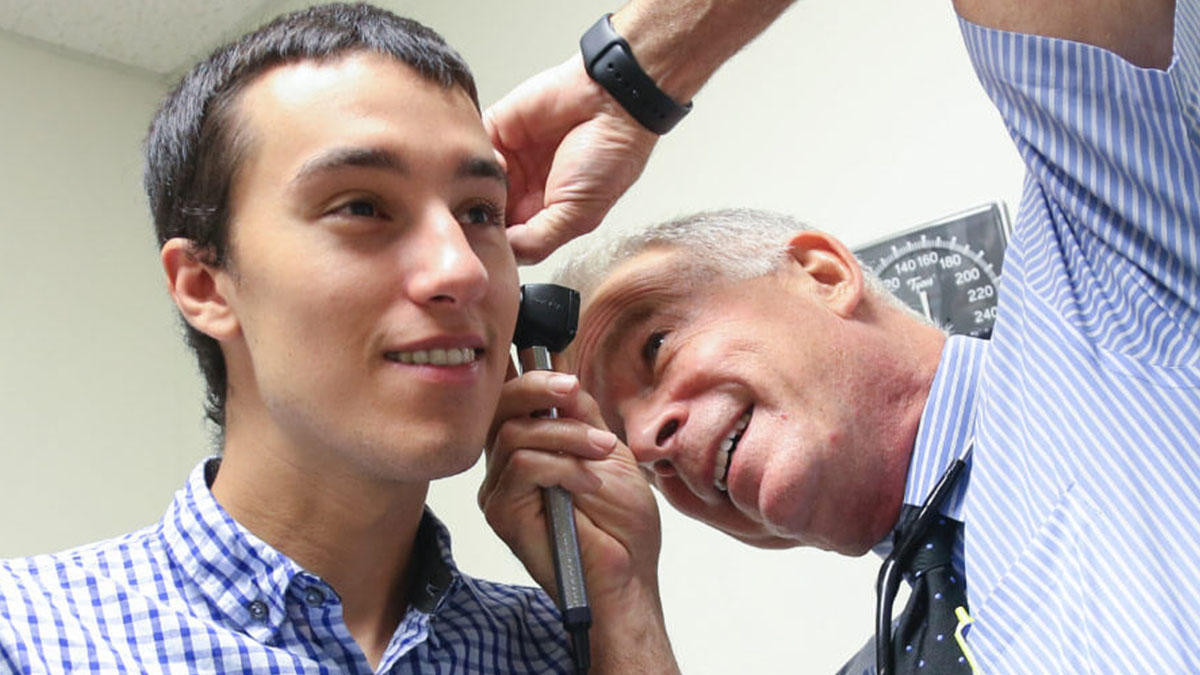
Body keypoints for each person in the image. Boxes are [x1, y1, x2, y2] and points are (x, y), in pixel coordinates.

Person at [481, 0, 1200, 672]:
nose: (647, 444)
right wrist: (622, 600)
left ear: (823, 274)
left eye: (655, 347)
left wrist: (626, 82)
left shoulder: (1114, 282)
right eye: (623, 446)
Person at [0, 4, 660, 673]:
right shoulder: (25, 636)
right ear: (205, 286)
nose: (462, 269)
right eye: (362, 207)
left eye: (479, 212)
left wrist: (624, 603)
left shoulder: (568, 647)